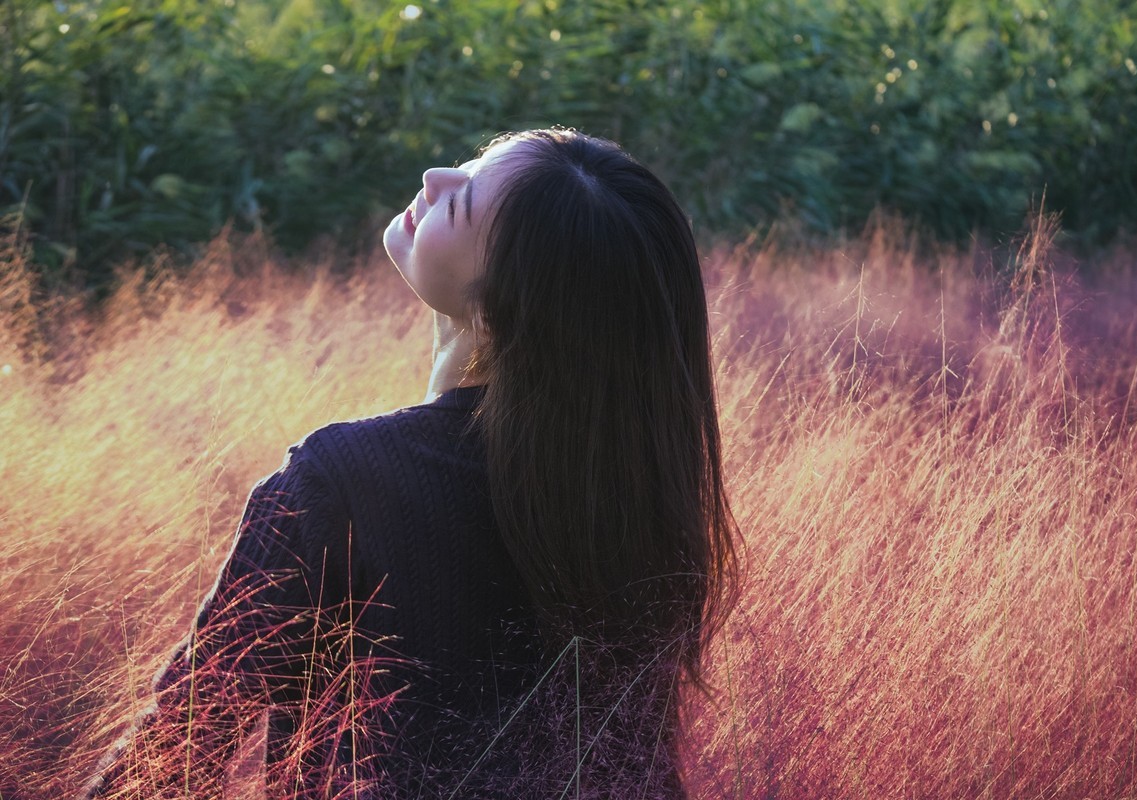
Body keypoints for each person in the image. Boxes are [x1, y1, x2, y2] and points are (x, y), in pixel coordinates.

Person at [83, 128, 739, 799]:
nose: (433, 178)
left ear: (495, 313)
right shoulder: (641, 490)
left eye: (459, 203)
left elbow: (171, 756)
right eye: (469, 165)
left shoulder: (342, 480)